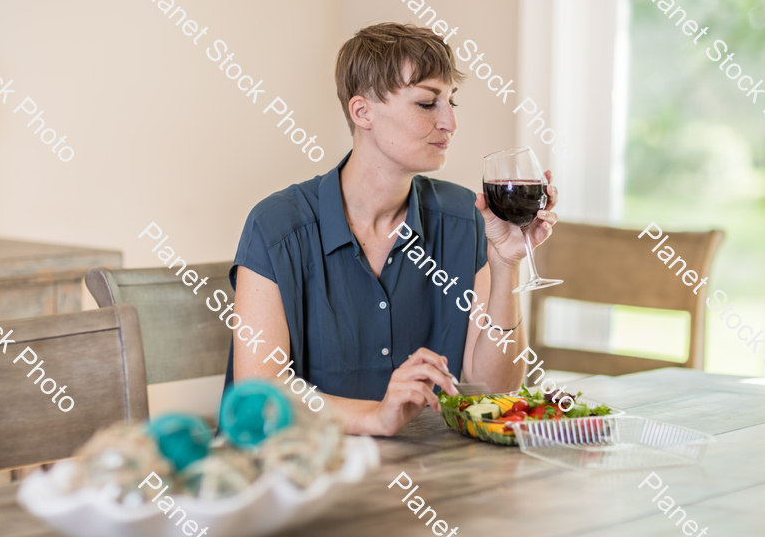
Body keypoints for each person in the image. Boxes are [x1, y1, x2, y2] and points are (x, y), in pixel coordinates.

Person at [224, 22, 557, 436]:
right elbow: (261, 395)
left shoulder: (464, 217)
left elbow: (495, 389)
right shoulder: (277, 226)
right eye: (426, 104)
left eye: (452, 102)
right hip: (302, 478)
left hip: (428, 476)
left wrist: (507, 265)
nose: (450, 122)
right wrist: (374, 417)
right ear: (362, 112)